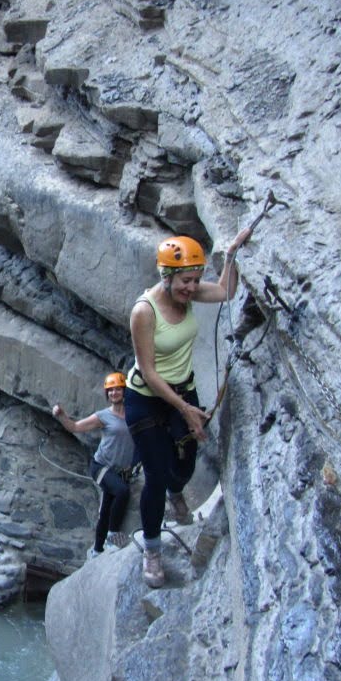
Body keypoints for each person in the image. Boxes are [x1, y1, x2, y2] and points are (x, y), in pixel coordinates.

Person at [124, 229, 251, 587]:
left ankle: (175, 492)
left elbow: (226, 291)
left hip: (183, 390)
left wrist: (231, 253)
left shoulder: (191, 296)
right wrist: (185, 409)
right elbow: (148, 372)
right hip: (146, 398)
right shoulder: (144, 312)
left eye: (195, 280)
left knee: (186, 463)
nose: (191, 288)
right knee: (156, 473)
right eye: (185, 281)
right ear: (166, 276)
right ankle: (152, 550)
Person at [53, 372, 137, 557]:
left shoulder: (133, 414)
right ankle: (113, 534)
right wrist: (61, 416)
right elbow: (75, 427)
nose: (114, 393)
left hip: (120, 471)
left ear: (124, 391)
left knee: (106, 508)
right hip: (101, 467)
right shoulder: (103, 416)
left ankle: (97, 550)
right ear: (107, 394)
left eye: (118, 389)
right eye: (111, 390)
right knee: (122, 491)